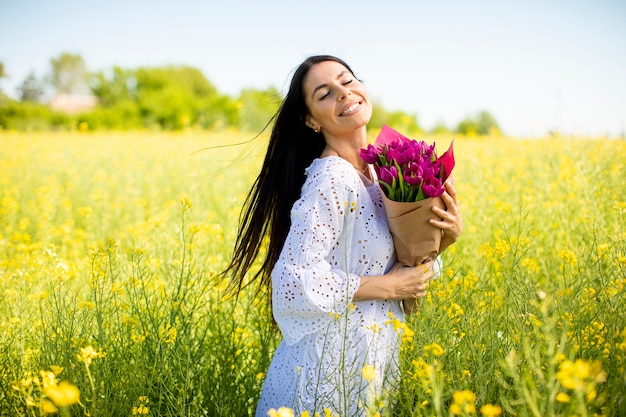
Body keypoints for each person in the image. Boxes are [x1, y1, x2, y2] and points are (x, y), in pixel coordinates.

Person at [222, 55, 463, 416]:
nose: (343, 93)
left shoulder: (384, 174)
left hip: (371, 362)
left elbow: (406, 286)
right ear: (310, 120)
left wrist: (443, 240)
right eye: (324, 93)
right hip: (326, 369)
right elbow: (293, 282)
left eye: (347, 80)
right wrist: (390, 287)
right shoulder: (332, 179)